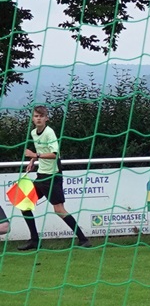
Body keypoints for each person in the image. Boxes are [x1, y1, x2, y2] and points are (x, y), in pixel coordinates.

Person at [18, 105, 91, 250]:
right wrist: (33, 160)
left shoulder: (49, 133)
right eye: (36, 116)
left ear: (46, 118)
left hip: (52, 176)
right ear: (33, 119)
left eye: (41, 116)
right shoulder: (34, 132)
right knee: (24, 204)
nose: (38, 119)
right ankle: (34, 240)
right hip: (41, 175)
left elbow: (54, 154)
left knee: (59, 209)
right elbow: (41, 149)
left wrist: (35, 155)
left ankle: (83, 239)